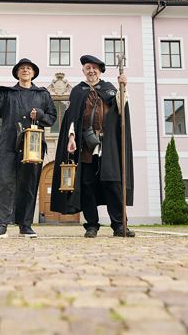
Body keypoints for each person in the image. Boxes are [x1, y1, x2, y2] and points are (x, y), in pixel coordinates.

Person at [51, 55, 134, 238]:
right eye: (88, 67)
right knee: (87, 185)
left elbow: (121, 109)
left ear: (100, 71)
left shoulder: (110, 89)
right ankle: (91, 225)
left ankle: (119, 225)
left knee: (113, 183)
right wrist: (71, 138)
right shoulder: (78, 91)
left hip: (108, 145)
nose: (91, 71)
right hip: (85, 145)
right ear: (83, 71)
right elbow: (71, 118)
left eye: (94, 68)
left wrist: (123, 87)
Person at [0, 58, 57, 239]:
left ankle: (25, 225)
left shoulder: (42, 94)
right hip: (8, 143)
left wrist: (39, 114)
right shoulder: (7, 93)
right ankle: (0, 225)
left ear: (33, 73)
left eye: (29, 68)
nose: (25, 70)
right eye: (22, 68)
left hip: (33, 145)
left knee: (29, 184)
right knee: (2, 182)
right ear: (17, 73)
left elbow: (52, 117)